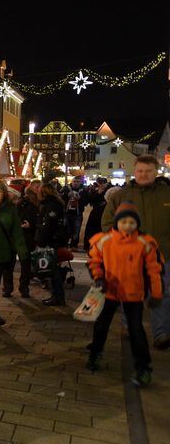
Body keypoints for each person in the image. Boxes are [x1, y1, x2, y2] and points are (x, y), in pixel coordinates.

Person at [87, 203, 164, 386]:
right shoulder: (104, 240)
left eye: (131, 222)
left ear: (137, 223)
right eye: (123, 221)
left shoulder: (145, 243)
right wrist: (98, 277)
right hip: (109, 291)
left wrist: (156, 293)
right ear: (116, 222)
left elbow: (155, 270)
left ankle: (143, 368)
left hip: (133, 294)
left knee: (136, 330)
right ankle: (95, 354)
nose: (127, 225)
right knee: (101, 326)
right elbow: (94, 260)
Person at [101, 155, 170, 350]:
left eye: (148, 171)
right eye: (140, 171)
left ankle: (161, 333)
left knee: (162, 294)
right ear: (135, 171)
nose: (143, 174)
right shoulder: (121, 195)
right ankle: (129, 327)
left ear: (156, 172)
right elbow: (107, 222)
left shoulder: (167, 194)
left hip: (163, 255)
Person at [0, 180, 29, 328]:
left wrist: (23, 253)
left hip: (2, 255)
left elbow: (17, 233)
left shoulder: (10, 209)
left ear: (4, 193)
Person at [35, 183, 69, 306]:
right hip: (56, 240)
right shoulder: (56, 203)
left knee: (53, 271)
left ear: (43, 193)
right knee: (53, 270)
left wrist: (40, 236)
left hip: (51, 241)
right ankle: (57, 296)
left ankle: (58, 297)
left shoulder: (50, 205)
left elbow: (48, 225)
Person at [15, 180, 41, 298]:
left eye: (39, 186)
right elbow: (17, 215)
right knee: (22, 263)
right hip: (23, 235)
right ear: (31, 187)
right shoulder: (24, 201)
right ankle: (17, 287)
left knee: (28, 263)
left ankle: (25, 286)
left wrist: (33, 225)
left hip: (34, 235)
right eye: (36, 186)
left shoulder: (41, 201)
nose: (37, 188)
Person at [81, 177, 109, 251]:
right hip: (96, 211)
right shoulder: (95, 191)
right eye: (100, 183)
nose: (102, 185)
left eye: (103, 183)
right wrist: (97, 193)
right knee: (93, 229)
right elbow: (90, 200)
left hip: (105, 211)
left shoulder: (108, 190)